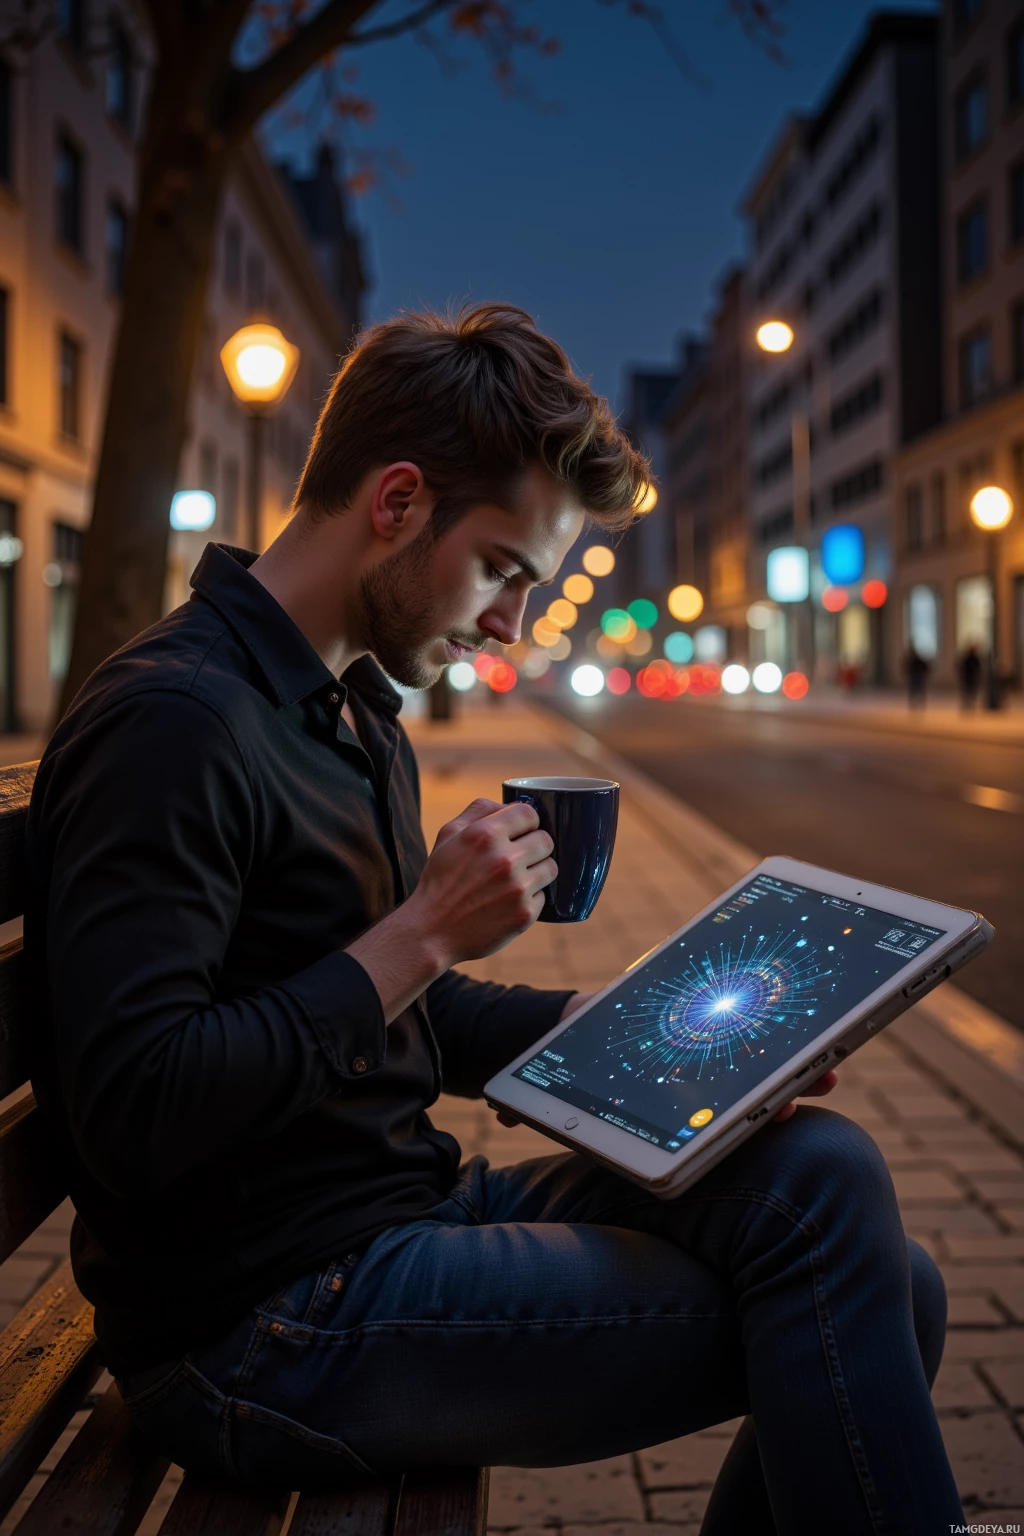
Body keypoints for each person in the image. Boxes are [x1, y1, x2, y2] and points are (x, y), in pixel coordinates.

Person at [23, 305, 963, 1534]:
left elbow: (389, 1009)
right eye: (506, 571)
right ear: (398, 501)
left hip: (391, 1223)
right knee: (853, 1300)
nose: (511, 623)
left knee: (850, 1216)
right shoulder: (178, 722)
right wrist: (422, 930)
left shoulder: (349, 710)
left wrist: (618, 1032)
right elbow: (136, 1108)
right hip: (262, 1325)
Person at [904, 644, 930, 708]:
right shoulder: (916, 660)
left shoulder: (913, 660)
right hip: (916, 676)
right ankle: (917, 702)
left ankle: (916, 702)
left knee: (915, 690)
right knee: (916, 690)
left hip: (916, 676)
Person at [959, 642, 983, 709]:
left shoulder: (975, 659)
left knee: (972, 692)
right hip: (969, 678)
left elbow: (978, 668)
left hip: (972, 678)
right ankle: (968, 704)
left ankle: (970, 704)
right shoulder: (968, 659)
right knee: (968, 692)